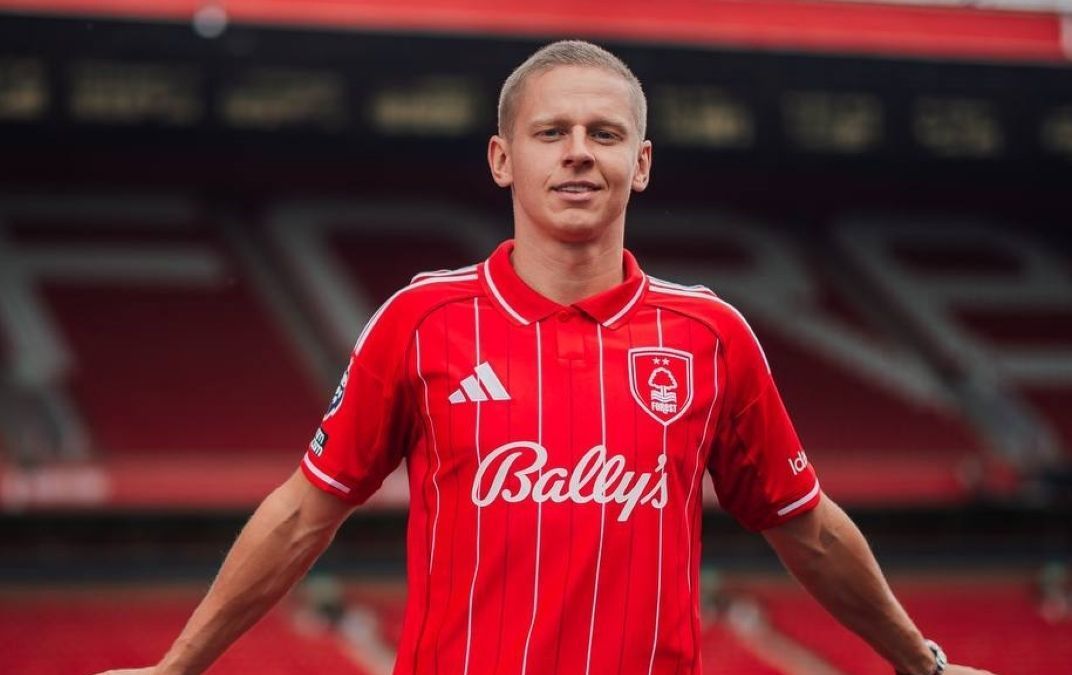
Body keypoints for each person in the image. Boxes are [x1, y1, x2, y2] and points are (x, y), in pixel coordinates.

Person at [101, 40, 994, 675]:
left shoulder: (710, 336)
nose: (577, 154)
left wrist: (923, 664)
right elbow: (305, 511)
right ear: (502, 159)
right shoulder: (420, 321)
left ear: (642, 163)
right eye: (550, 132)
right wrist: (176, 668)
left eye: (605, 134)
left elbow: (807, 526)